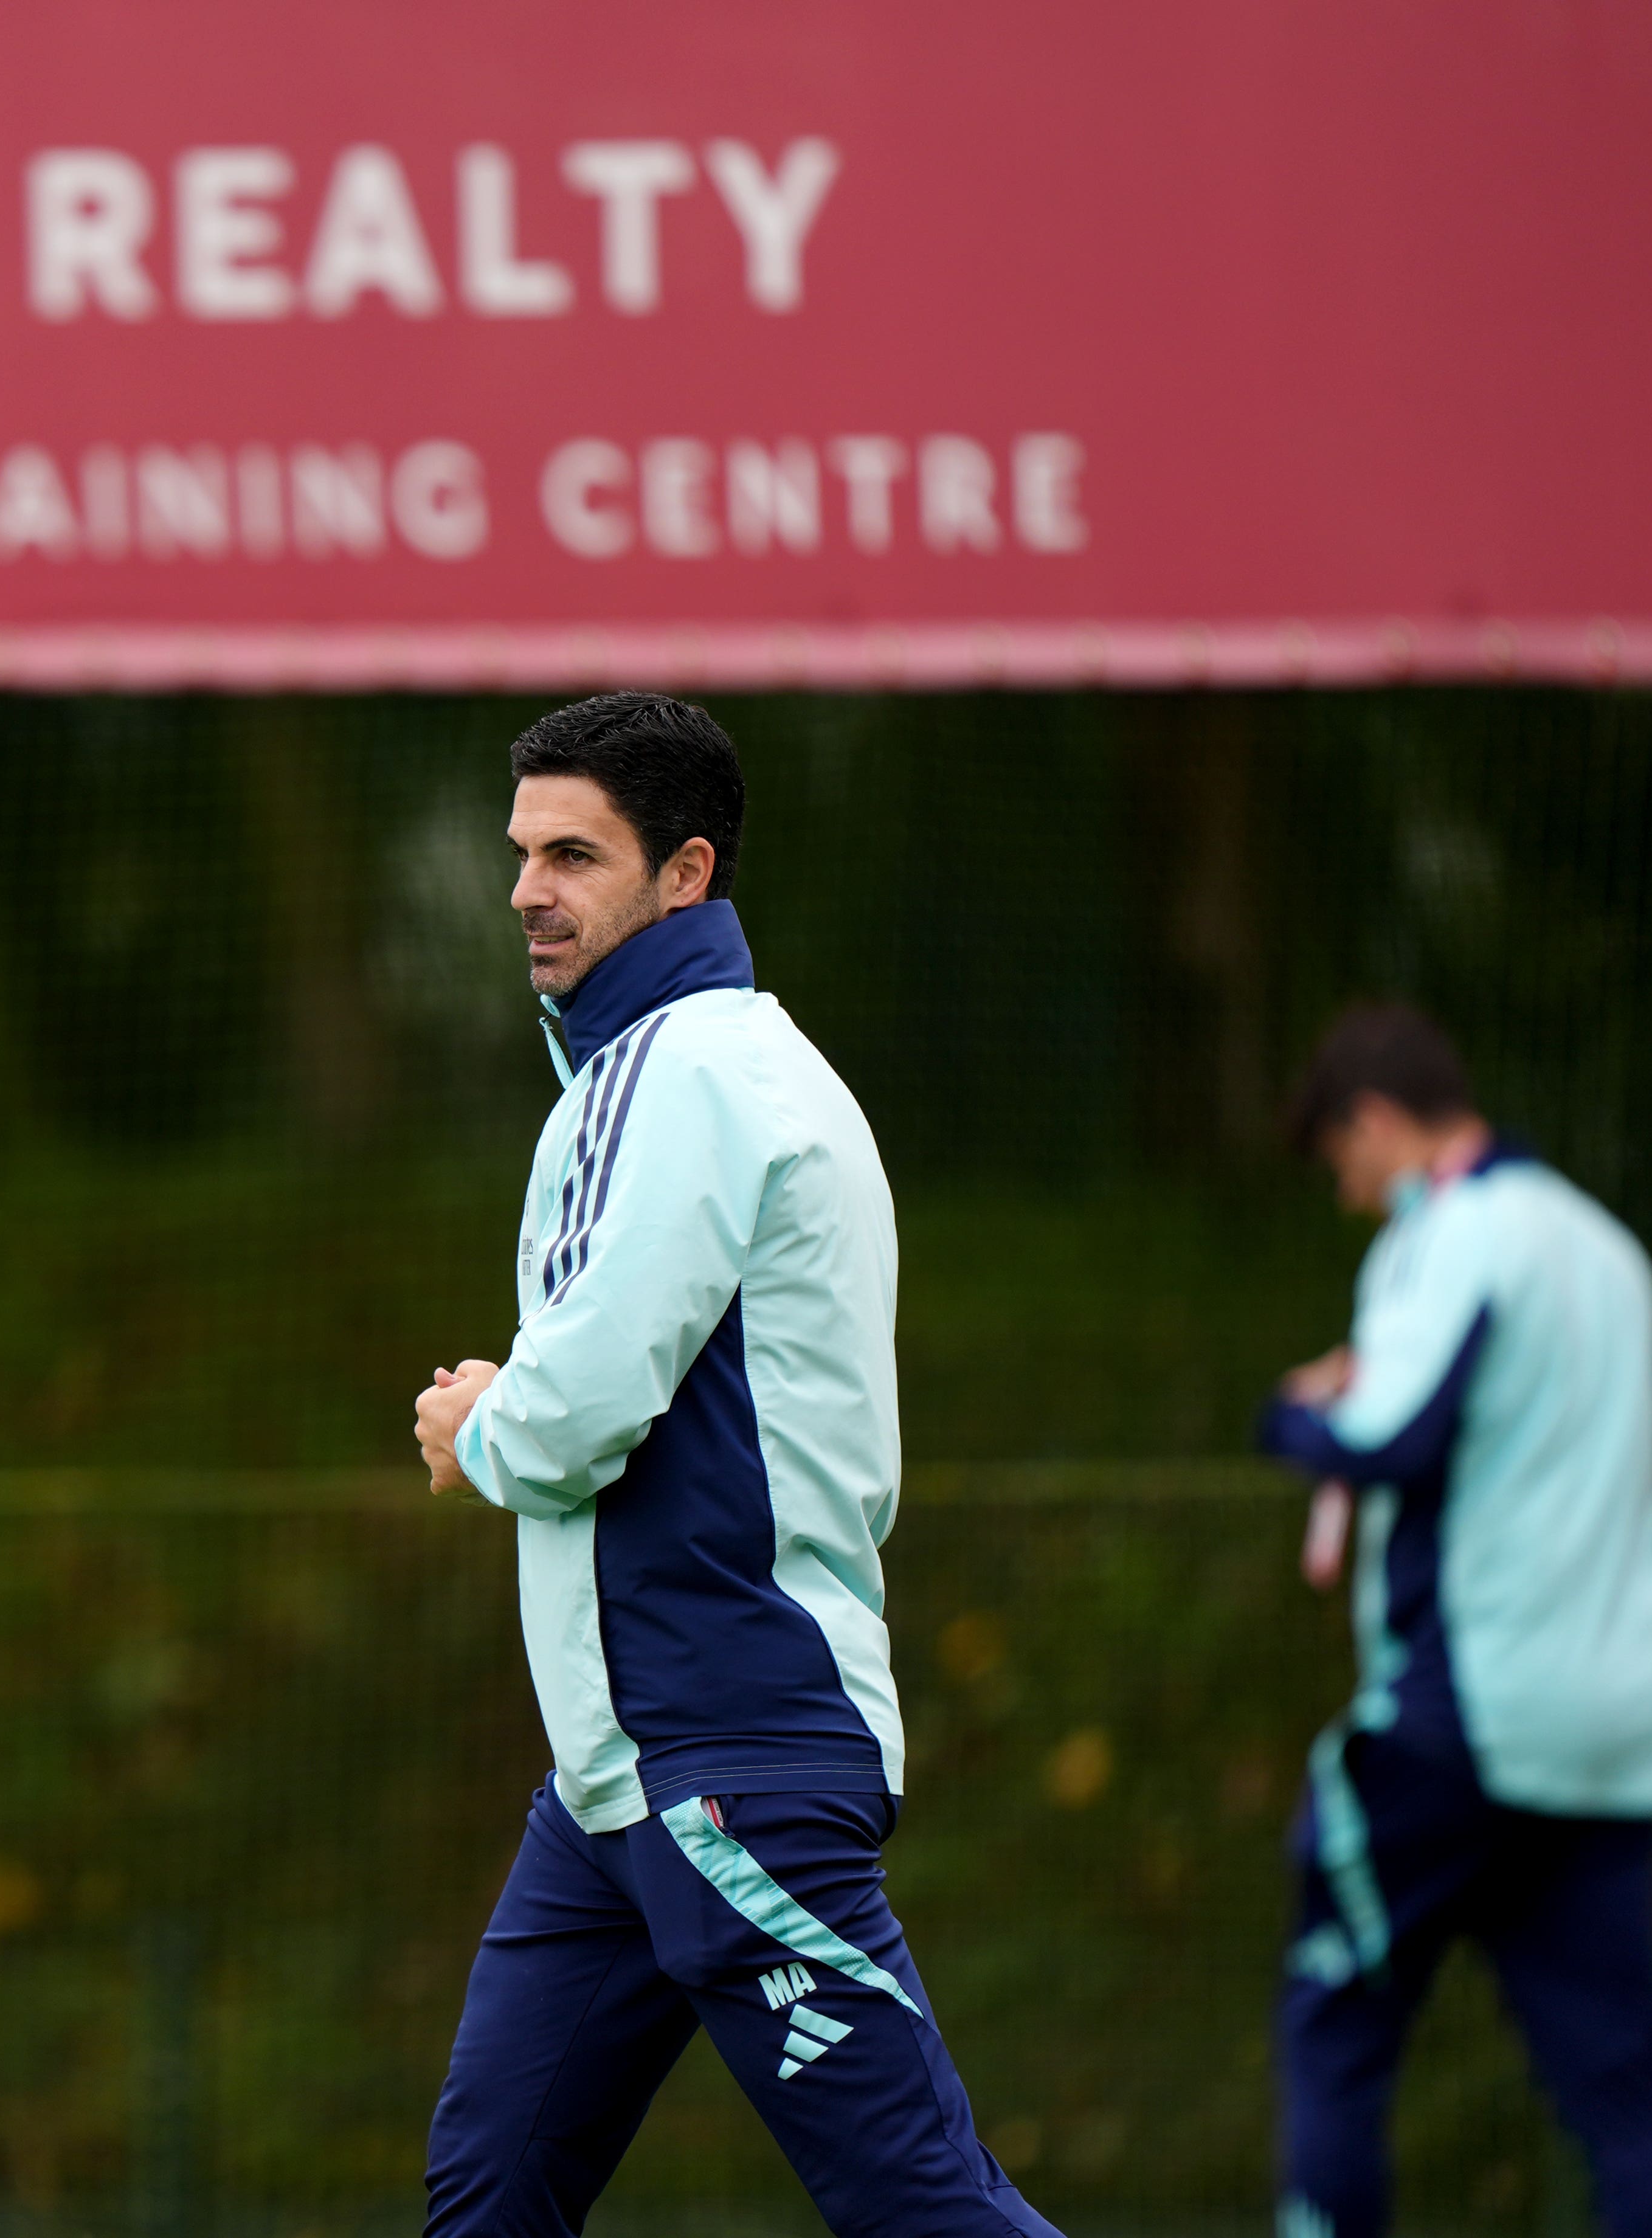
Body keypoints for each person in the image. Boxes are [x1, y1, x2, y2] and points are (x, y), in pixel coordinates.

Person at [407, 692, 1056, 2238]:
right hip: (616, 1780)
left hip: (726, 1762)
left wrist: (478, 1417)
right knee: (487, 2196)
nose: (526, 891)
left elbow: (580, 1406)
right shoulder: (677, 1065)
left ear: (683, 875)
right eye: (520, 853)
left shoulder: (683, 1068)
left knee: (924, 2208)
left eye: (574, 853)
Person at [1257, 1003, 1652, 2238]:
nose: (1350, 1195)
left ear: (1379, 1121)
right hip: (1613, 1735)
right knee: (1622, 2097)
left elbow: (1383, 1434)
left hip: (1461, 1719)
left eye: (1342, 1162)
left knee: (1335, 2028)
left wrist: (1288, 1414)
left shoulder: (1455, 1234)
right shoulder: (1610, 1249)